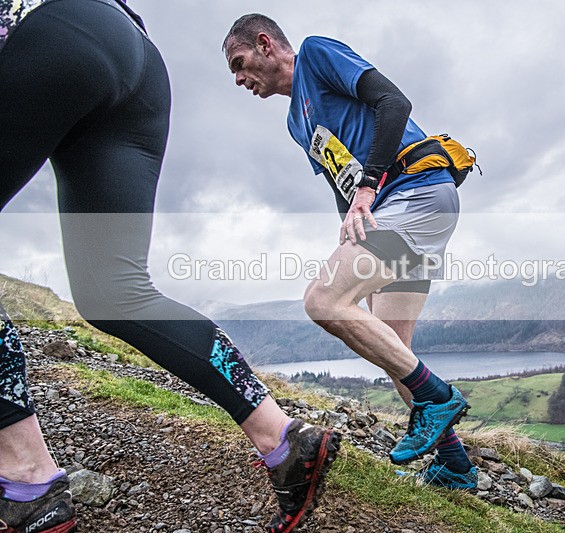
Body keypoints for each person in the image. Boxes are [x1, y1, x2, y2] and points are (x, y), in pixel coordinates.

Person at [0, 2, 338, 532]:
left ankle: (25, 477)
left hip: (41, 28)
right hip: (133, 55)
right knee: (114, 291)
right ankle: (283, 439)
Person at [222, 14, 478, 489]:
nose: (240, 79)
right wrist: (350, 222)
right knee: (393, 349)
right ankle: (455, 465)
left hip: (416, 191)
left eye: (240, 63)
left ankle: (438, 397)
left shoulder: (316, 55)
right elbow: (342, 177)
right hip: (390, 209)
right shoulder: (295, 122)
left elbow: (394, 103)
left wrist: (368, 186)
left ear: (265, 44)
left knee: (322, 300)